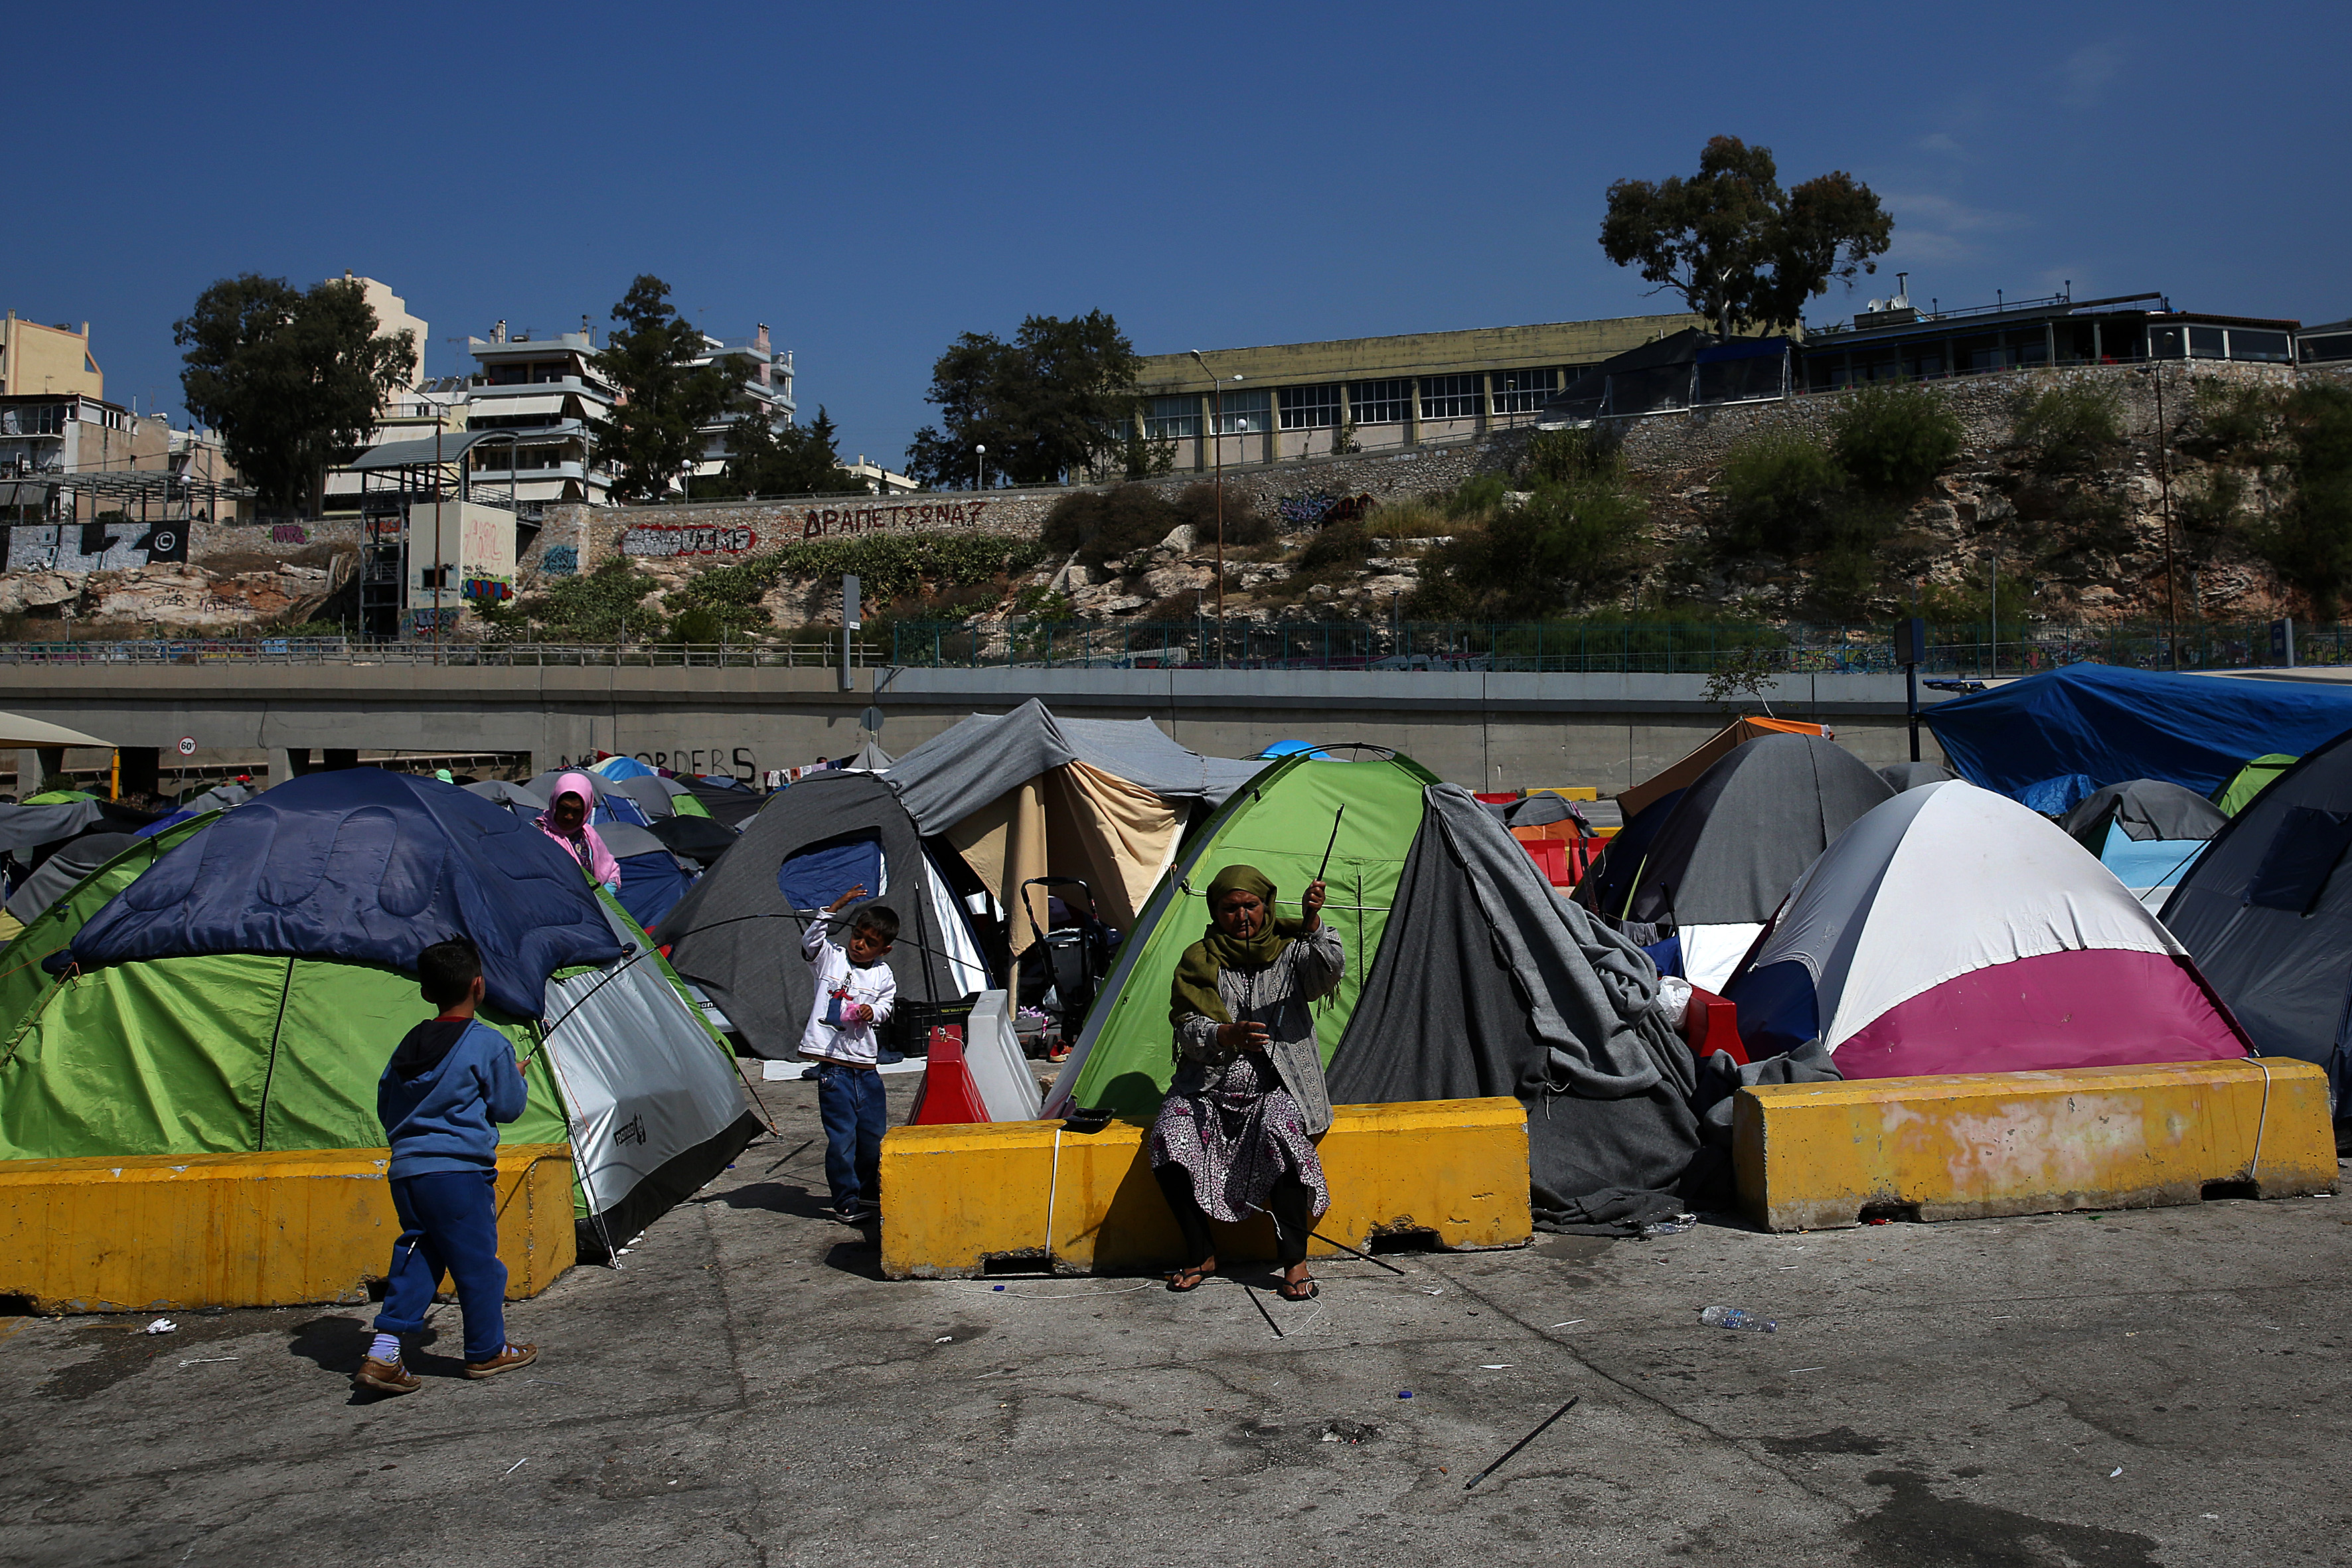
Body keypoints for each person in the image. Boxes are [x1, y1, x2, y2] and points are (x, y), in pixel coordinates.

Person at [354, 937, 538, 1395]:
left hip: (408, 1173)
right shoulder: (488, 1043)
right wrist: (515, 1077)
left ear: (425, 991)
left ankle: (384, 1351)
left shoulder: (408, 1044)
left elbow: (386, 1104)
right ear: (479, 985)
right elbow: (508, 1107)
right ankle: (486, 1350)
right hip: (459, 1176)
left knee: (420, 1255)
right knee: (479, 1266)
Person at [1152, 864, 1343, 1301]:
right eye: (1230, 908)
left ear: (1267, 906)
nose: (1242, 916)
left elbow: (1328, 971)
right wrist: (1225, 1034)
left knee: (1282, 1133)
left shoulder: (1293, 949)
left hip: (1278, 1086)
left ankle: (1294, 1261)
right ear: (1215, 911)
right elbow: (1185, 1026)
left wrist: (1313, 922)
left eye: (1251, 906)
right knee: (1168, 1134)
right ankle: (1201, 1252)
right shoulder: (1199, 959)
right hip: (1209, 1087)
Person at [799, 884, 898, 1222]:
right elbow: (811, 942)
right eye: (858, 935)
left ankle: (869, 1191)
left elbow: (886, 1006)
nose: (859, 944)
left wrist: (874, 1011)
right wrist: (834, 908)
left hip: (865, 1068)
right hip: (834, 1070)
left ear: (884, 949)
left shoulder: (883, 975)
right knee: (842, 1138)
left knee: (873, 1135)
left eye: (870, 942)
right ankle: (845, 1198)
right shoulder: (831, 958)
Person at [536, 772, 619, 896]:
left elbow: (610, 871)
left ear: (586, 811)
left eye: (576, 811)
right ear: (554, 804)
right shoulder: (536, 834)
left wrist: (603, 898)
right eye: (564, 808)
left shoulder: (588, 835)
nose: (569, 816)